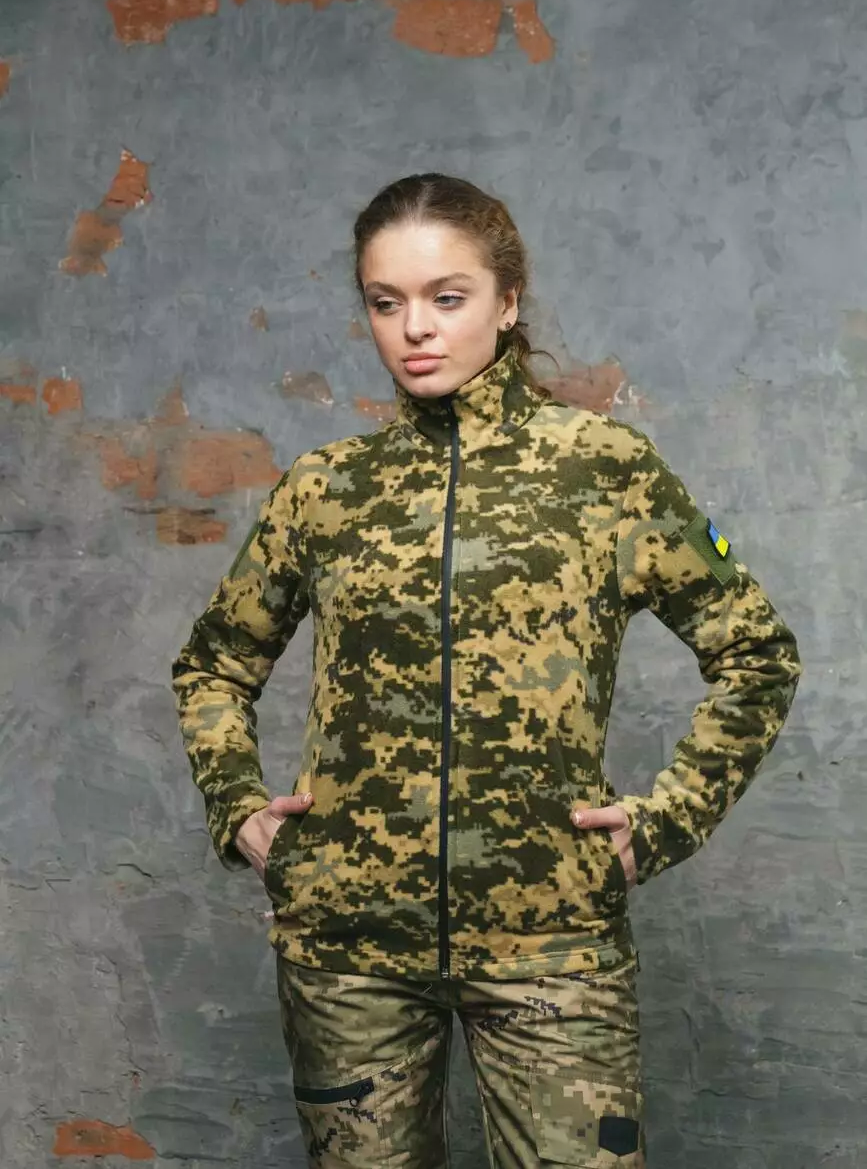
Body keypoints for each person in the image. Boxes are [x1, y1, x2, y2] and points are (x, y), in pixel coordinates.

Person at [171, 173, 802, 1169]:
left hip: (553, 947)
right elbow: (214, 663)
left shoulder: (602, 468)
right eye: (386, 302)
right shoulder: (328, 489)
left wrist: (666, 819)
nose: (415, 328)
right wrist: (236, 804)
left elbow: (755, 652)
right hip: (349, 956)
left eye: (447, 296)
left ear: (508, 302)